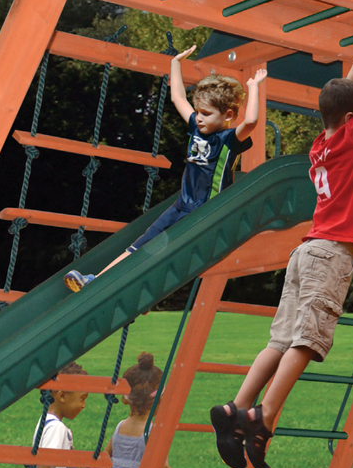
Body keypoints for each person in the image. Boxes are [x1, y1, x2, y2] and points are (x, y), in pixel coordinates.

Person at [211, 26, 353, 468]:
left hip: (306, 253)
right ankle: (264, 415)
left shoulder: (322, 144)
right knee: (307, 340)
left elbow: (352, 91)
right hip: (331, 254)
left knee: (280, 339)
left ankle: (238, 408)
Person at [64, 52, 265, 291]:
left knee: (172, 253)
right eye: (198, 112)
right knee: (141, 245)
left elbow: (251, 121)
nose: (199, 118)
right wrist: (174, 64)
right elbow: (178, 97)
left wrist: (253, 87)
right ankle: (94, 280)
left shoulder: (228, 139)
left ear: (228, 115)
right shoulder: (196, 128)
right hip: (182, 205)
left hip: (208, 211)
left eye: (207, 114)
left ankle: (140, 288)